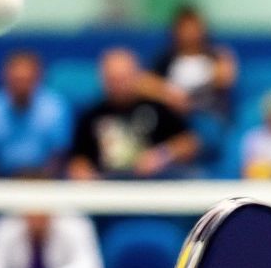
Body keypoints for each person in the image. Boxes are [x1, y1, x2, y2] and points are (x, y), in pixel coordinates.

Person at [68, 48, 200, 180]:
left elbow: (189, 144)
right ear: (102, 79)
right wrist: (82, 171)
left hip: (155, 186)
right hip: (108, 189)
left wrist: (162, 155)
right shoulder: (91, 117)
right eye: (112, 79)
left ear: (136, 76)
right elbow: (78, 159)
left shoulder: (157, 109)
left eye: (123, 79)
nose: (118, 85)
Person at [138, 3, 238, 162]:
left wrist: (189, 99)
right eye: (185, 27)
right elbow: (142, 83)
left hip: (205, 116)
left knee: (209, 131)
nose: (190, 33)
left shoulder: (216, 56)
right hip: (172, 115)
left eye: (194, 27)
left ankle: (164, 155)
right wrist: (169, 95)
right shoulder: (166, 59)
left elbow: (226, 78)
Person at [0, 50, 71, 177]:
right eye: (17, 80)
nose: (21, 86)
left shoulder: (56, 108)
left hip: (43, 182)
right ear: (5, 77)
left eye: (27, 80)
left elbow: (59, 156)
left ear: (38, 77)